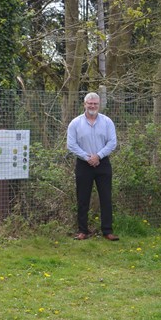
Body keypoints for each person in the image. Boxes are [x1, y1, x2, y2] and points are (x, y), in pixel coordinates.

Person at [67, 92, 119, 241]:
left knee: (106, 198)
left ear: (99, 105)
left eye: (95, 103)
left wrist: (98, 156)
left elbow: (112, 142)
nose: (92, 106)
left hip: (103, 163)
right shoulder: (75, 123)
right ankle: (83, 231)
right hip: (83, 164)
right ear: (84, 104)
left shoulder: (107, 122)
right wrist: (87, 157)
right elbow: (71, 144)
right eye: (90, 103)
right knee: (82, 198)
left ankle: (107, 231)